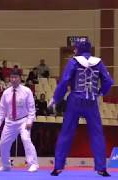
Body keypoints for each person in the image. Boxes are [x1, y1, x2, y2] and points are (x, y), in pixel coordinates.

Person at [48, 39, 113, 176]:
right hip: (92, 101)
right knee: (97, 134)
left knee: (66, 132)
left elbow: (65, 81)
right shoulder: (99, 62)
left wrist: (56, 98)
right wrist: (101, 92)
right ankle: (101, 168)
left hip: (75, 100)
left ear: (78, 49)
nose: (74, 50)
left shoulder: (73, 61)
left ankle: (58, 167)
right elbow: (108, 81)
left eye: (75, 48)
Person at [0, 69, 39, 172]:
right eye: (12, 77)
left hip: (23, 121)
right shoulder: (6, 93)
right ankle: (6, 165)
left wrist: (29, 122)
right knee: (3, 143)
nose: (13, 79)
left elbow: (32, 108)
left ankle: (33, 164)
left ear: (20, 79)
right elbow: (2, 109)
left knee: (26, 139)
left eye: (16, 77)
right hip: (10, 122)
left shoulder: (26, 91)